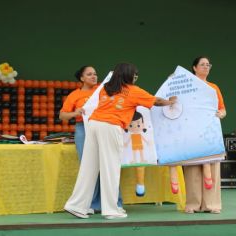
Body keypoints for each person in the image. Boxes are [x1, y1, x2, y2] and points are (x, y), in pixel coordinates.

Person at [64, 62, 176, 219]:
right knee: (110, 168)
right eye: (135, 75)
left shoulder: (106, 88)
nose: (136, 77)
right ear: (129, 75)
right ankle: (110, 210)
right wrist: (170, 102)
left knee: (88, 168)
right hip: (110, 127)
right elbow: (155, 101)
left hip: (93, 124)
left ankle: (76, 205)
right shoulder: (133, 90)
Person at [59, 66, 123, 213]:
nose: (93, 76)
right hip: (83, 128)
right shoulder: (74, 95)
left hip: (104, 126)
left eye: (95, 74)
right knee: (88, 166)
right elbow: (62, 116)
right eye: (89, 74)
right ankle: (91, 204)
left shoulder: (104, 90)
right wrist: (75, 113)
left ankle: (115, 203)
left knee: (109, 164)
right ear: (81, 78)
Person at [184, 56, 226, 214]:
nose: (206, 67)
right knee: (193, 167)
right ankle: (193, 204)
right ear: (194, 67)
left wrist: (220, 114)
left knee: (213, 167)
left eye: (208, 64)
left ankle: (212, 204)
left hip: (210, 132)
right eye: (202, 64)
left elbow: (222, 109)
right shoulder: (186, 85)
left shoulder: (213, 87)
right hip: (191, 131)